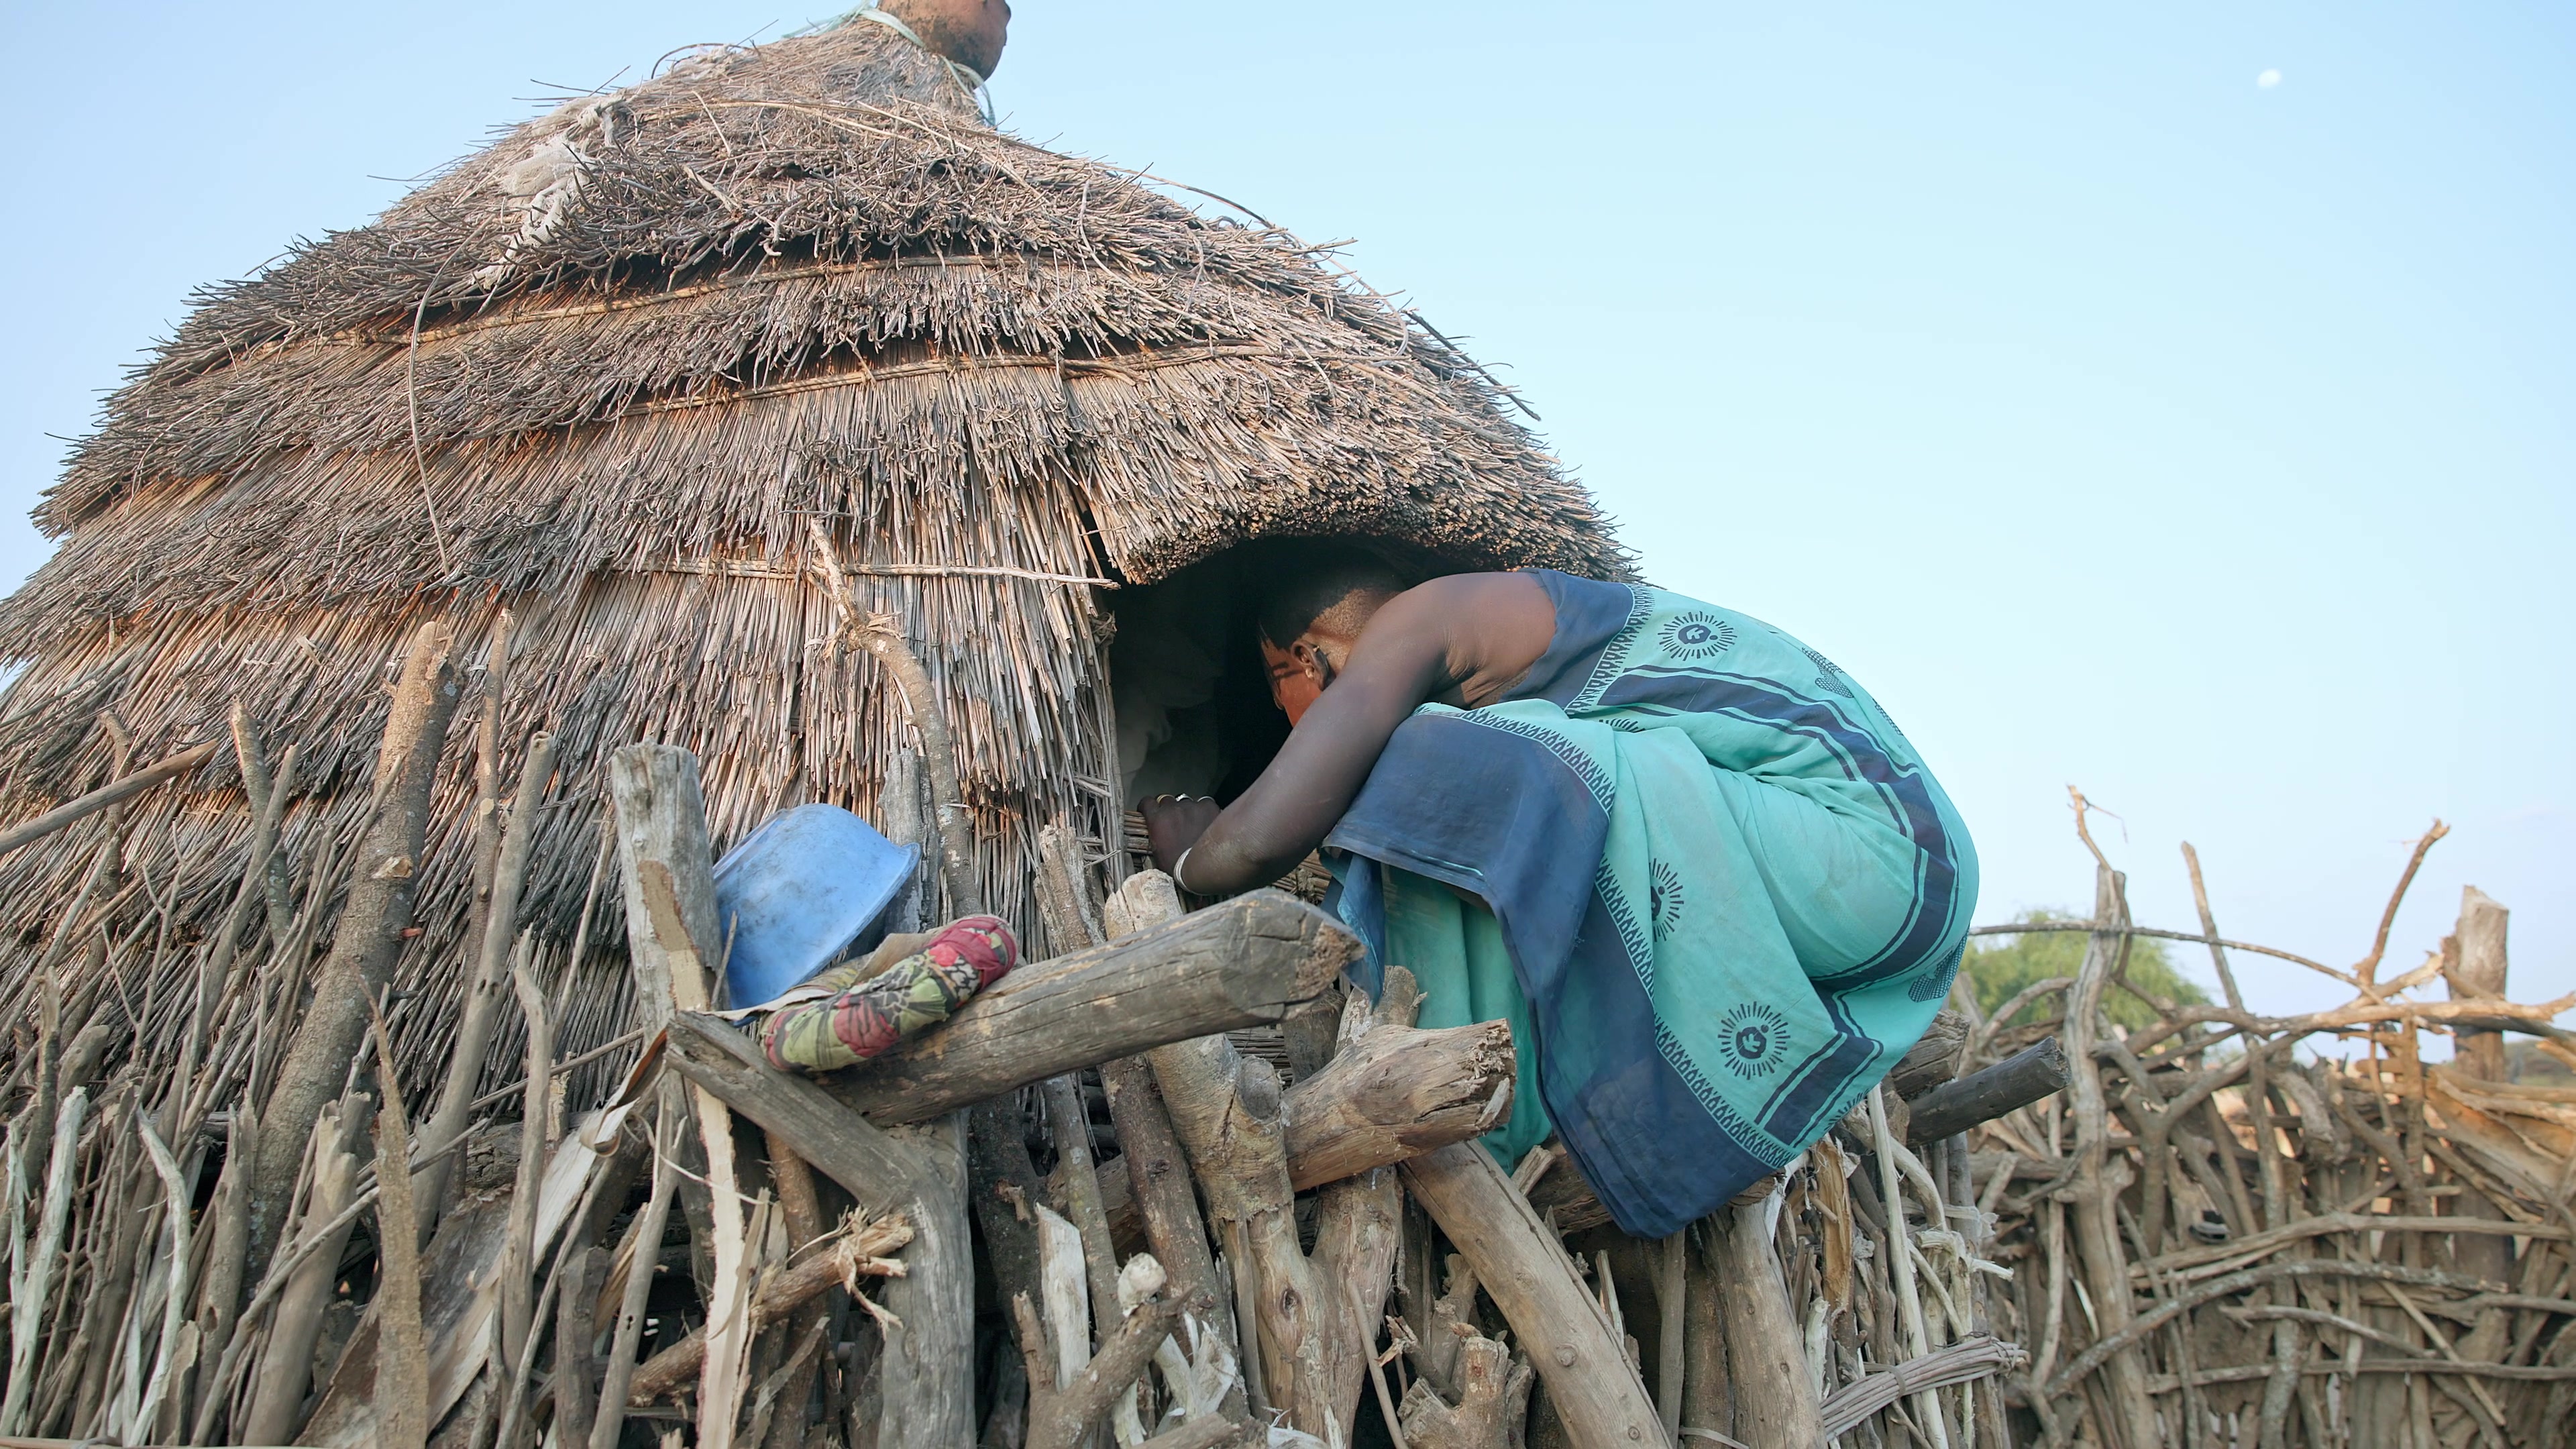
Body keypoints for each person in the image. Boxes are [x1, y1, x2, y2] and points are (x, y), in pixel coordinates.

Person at [1140, 551, 1977, 1238]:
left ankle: (1481, 1126)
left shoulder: (1417, 621)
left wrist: (1187, 862)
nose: (1287, 713)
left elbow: (1260, 839)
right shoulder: (1500, 628)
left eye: (1276, 681)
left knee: (1431, 765)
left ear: (1310, 656)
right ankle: (1514, 1100)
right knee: (1503, 784)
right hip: (1908, 882)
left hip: (1867, 853)